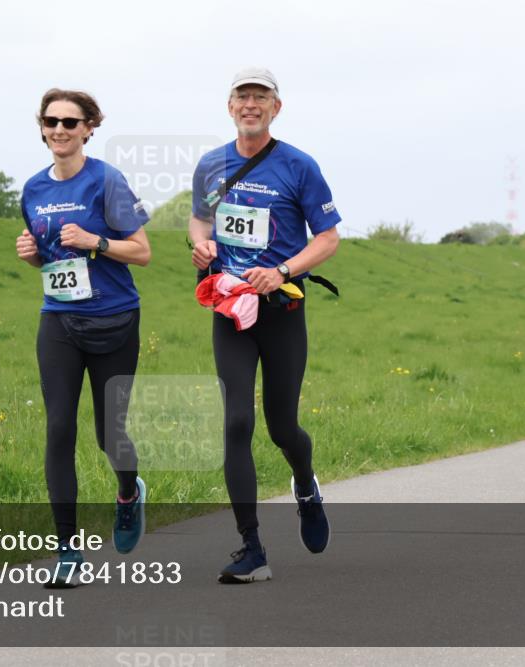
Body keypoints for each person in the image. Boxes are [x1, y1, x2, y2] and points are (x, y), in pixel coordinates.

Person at [189, 68, 341, 584]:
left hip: (281, 312)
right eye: (242, 96)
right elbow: (200, 219)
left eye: (261, 96)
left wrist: (282, 271)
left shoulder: (299, 165)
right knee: (236, 422)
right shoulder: (211, 165)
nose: (250, 104)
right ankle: (251, 548)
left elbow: (328, 238)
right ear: (230, 106)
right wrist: (201, 244)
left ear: (276, 107)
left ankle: (306, 484)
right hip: (231, 309)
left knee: (282, 427)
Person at [16, 88, 151, 588]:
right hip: (59, 321)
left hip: (114, 319)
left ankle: (128, 492)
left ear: (89, 128)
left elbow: (141, 252)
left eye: (70, 122)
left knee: (109, 434)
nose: (59, 130)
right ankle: (67, 550)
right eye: (51, 121)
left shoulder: (107, 181)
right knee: (58, 429)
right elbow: (52, 258)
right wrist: (33, 254)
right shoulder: (33, 189)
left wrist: (96, 241)